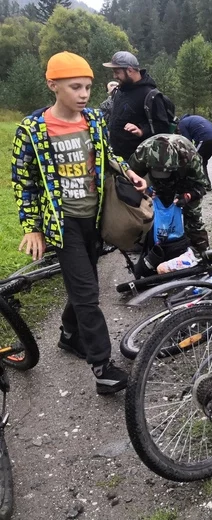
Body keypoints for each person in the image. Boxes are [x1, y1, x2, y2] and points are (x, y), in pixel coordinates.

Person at [11, 51, 147, 394]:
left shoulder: (94, 121)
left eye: (87, 86)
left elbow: (108, 153)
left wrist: (128, 170)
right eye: (75, 87)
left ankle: (70, 335)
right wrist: (31, 227)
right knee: (87, 293)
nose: (84, 94)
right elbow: (23, 183)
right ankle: (102, 368)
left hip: (94, 219)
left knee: (84, 280)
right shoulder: (32, 130)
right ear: (52, 85)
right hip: (63, 223)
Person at [129, 134, 210, 253]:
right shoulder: (142, 153)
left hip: (183, 178)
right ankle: (147, 242)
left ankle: (202, 251)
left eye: (165, 173)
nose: (163, 177)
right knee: (148, 209)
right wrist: (145, 192)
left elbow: (202, 186)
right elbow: (130, 178)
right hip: (153, 182)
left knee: (193, 214)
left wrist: (188, 196)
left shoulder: (189, 156)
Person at [102, 51, 170, 160]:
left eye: (117, 72)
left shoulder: (150, 94)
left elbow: (162, 127)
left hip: (139, 162)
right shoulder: (120, 91)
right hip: (116, 159)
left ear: (129, 70)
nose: (114, 76)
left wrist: (142, 130)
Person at [177, 114, 212, 191]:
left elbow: (187, 141)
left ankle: (194, 185)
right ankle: (206, 184)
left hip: (205, 139)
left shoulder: (182, 123)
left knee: (194, 160)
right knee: (202, 161)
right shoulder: (193, 118)